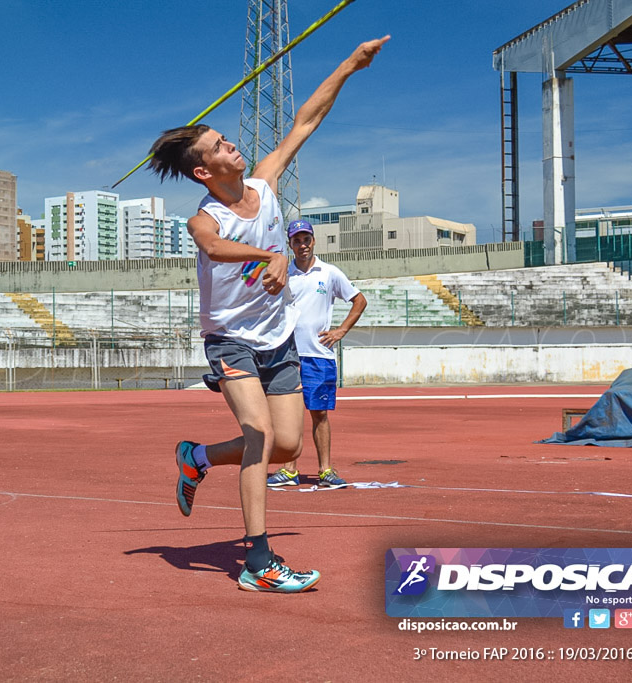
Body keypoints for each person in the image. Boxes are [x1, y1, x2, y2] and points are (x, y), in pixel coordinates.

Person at [148, 35, 389, 593]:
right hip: (230, 341)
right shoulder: (205, 218)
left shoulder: (264, 182)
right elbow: (213, 248)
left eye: (228, 139)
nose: (232, 146)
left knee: (289, 446)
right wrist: (271, 253)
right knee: (258, 437)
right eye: (219, 146)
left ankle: (198, 457)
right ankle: (258, 563)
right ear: (204, 172)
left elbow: (307, 119)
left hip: (276, 338)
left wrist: (350, 66)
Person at [267, 219, 366, 489]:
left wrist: (340, 331)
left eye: (306, 239)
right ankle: (289, 471)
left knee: (319, 414)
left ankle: (325, 471)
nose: (302, 245)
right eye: (296, 240)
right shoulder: (285, 273)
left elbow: (359, 300)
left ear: (313, 241)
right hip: (287, 355)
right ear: (290, 244)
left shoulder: (330, 272)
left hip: (318, 355)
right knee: (288, 415)